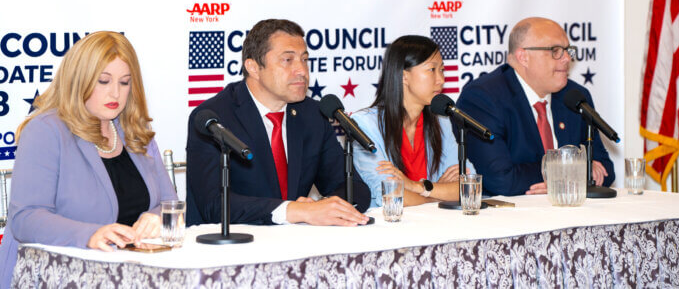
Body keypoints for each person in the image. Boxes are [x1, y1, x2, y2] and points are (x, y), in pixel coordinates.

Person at [0, 31, 178, 288]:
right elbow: (25, 218)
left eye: (125, 82)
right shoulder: (46, 130)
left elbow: (170, 205)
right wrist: (90, 234)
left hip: (130, 277)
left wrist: (156, 218)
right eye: (103, 81)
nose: (115, 93)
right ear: (78, 80)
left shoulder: (135, 130)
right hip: (57, 278)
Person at [186, 19, 370, 227]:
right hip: (232, 248)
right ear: (253, 67)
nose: (301, 70)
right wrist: (293, 210)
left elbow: (353, 188)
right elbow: (213, 205)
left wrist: (327, 207)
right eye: (287, 60)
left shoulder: (312, 114)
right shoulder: (213, 118)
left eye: (304, 59)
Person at [455, 17, 615, 196]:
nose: (567, 58)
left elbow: (605, 169)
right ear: (523, 57)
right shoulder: (483, 98)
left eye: (568, 50)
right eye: (556, 51)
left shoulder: (575, 96)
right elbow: (500, 179)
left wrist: (560, 180)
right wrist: (568, 174)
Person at [353, 35, 474, 208]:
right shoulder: (365, 126)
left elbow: (469, 184)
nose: (441, 80)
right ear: (404, 76)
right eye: (432, 70)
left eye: (442, 70)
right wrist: (437, 194)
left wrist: (415, 186)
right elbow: (391, 195)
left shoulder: (441, 122)